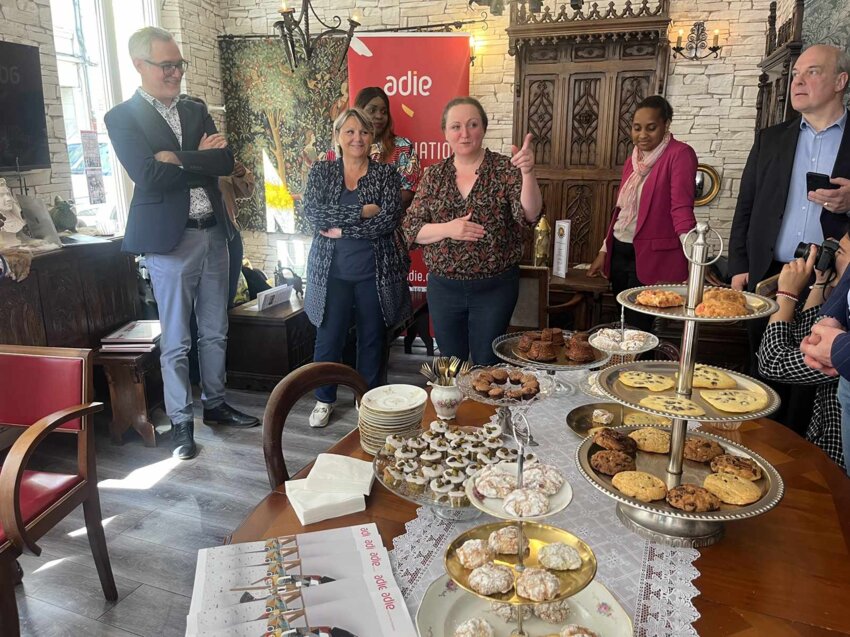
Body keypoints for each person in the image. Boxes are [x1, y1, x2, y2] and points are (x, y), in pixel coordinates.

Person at [105, 27, 258, 461]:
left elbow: (225, 161)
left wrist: (177, 157)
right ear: (140, 65)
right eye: (166, 65)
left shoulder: (195, 108)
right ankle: (181, 423)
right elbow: (148, 175)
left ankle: (215, 403)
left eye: (179, 64)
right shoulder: (122, 117)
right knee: (176, 339)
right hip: (169, 241)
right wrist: (199, 158)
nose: (175, 73)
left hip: (215, 232)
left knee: (215, 330)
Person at [402, 97, 542, 364]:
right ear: (445, 133)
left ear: (483, 129)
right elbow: (411, 230)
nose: (464, 133)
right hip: (445, 289)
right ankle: (456, 407)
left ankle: (484, 408)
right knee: (451, 365)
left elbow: (530, 213)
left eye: (472, 124)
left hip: (495, 288)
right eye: (455, 126)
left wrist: (528, 172)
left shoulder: (504, 170)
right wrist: (449, 229)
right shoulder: (434, 176)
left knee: (487, 364)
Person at [303, 108, 410, 428]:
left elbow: (388, 220)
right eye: (349, 132)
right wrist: (363, 210)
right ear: (337, 137)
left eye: (363, 132)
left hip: (375, 271)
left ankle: (368, 398)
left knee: (372, 337)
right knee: (328, 337)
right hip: (330, 273)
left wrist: (344, 227)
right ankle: (324, 398)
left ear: (371, 137)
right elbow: (314, 214)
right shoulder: (322, 172)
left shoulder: (386, 175)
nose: (356, 138)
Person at [729, 45, 850, 295]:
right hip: (767, 276)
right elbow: (746, 206)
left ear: (840, 81)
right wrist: (739, 265)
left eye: (812, 72)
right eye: (795, 74)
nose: (798, 82)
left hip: (836, 283)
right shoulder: (769, 140)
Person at [586, 95, 697, 331]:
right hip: (620, 251)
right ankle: (627, 367)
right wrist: (604, 251)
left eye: (651, 128)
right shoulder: (633, 160)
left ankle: (638, 368)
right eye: (637, 128)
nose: (642, 135)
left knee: (640, 328)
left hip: (651, 257)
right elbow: (622, 211)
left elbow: (681, 208)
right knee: (624, 322)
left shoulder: (680, 154)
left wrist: (694, 256)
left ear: (666, 124)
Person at [758, 238, 849, 469]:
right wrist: (822, 285)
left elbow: (773, 361)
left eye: (839, 252)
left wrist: (786, 294)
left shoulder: (843, 340)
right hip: (818, 447)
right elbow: (803, 339)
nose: (832, 256)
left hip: (835, 466)